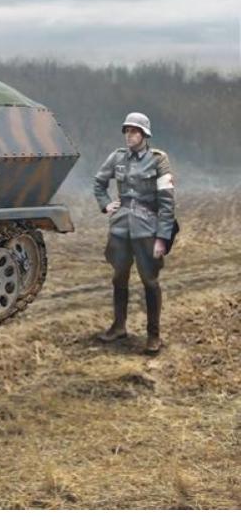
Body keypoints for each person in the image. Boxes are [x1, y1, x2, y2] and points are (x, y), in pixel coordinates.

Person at [92, 112, 176, 354]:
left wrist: (162, 238)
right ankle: (119, 326)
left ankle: (153, 335)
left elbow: (167, 202)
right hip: (120, 228)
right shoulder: (117, 157)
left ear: (144, 134)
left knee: (150, 280)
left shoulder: (158, 160)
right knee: (119, 277)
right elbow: (99, 183)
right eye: (127, 131)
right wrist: (106, 204)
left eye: (134, 131)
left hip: (147, 228)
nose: (129, 135)